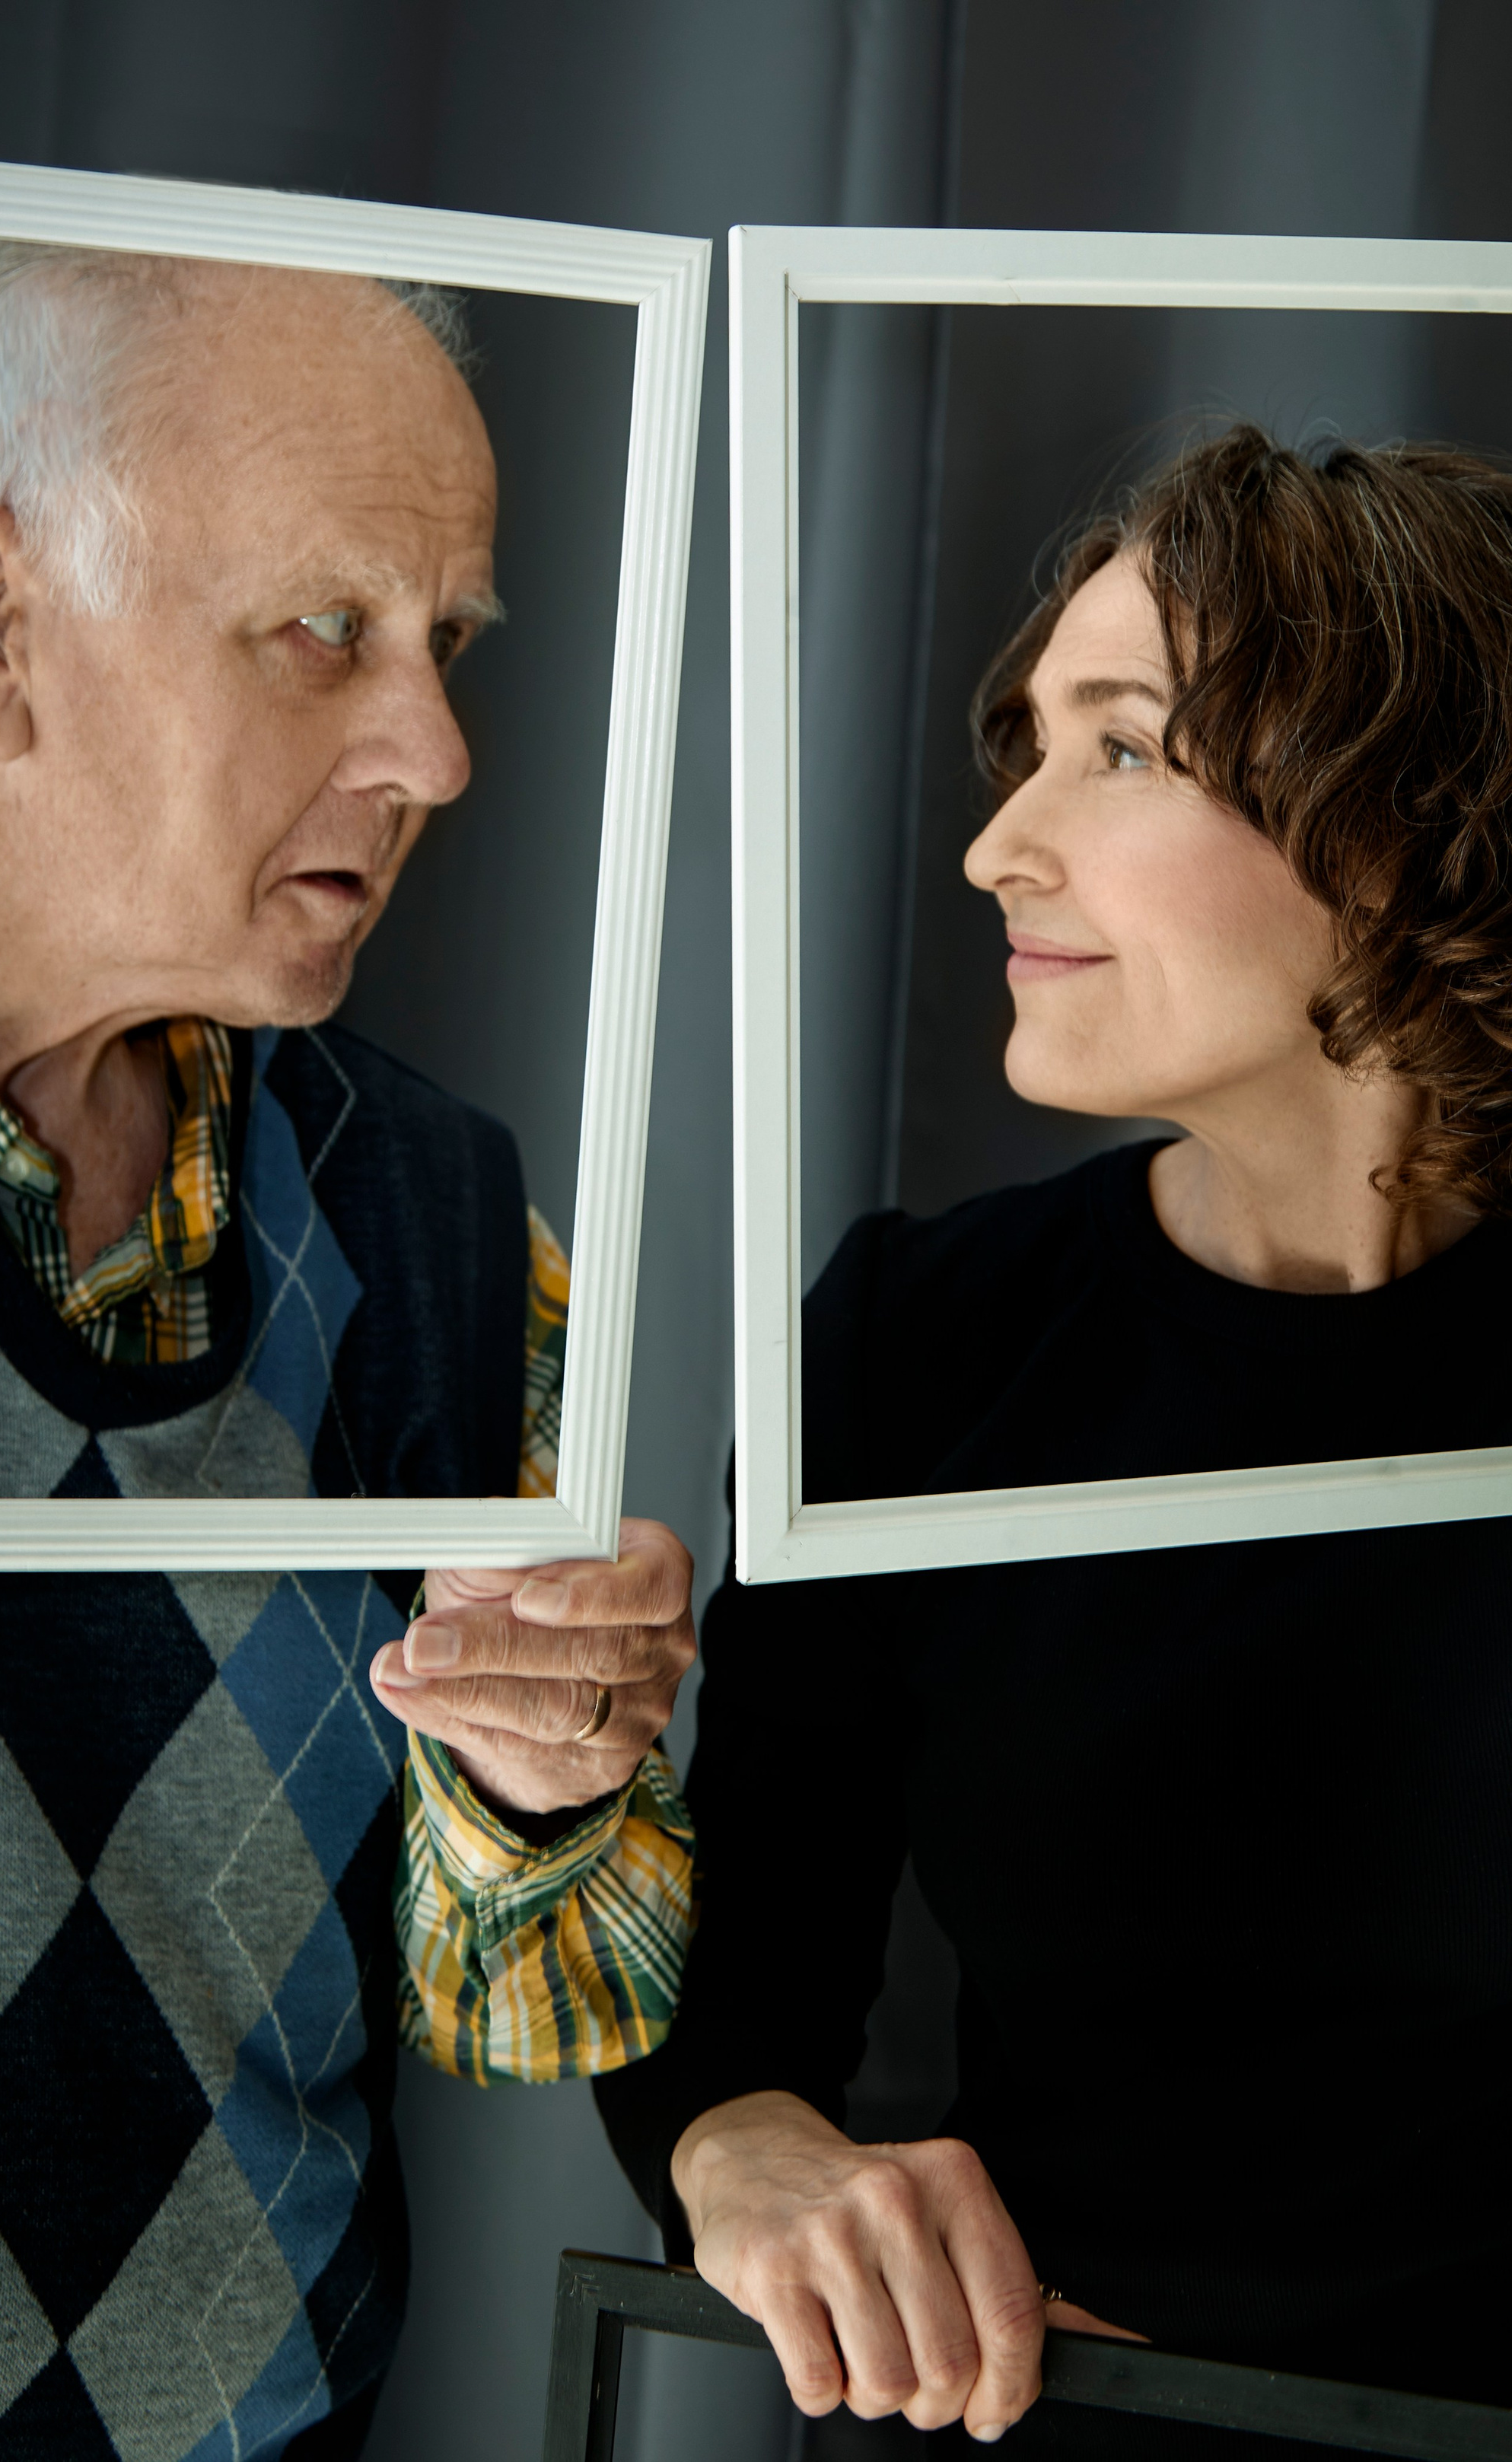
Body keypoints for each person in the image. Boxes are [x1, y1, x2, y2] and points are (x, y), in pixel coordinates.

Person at [0, 244, 698, 2462]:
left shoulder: (444, 1218)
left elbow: (535, 2011)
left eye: (448, 642)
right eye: (326, 630)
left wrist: (546, 1777)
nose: (439, 754)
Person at [595, 426, 1512, 2453]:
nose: (999, 847)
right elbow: (737, 2002)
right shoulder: (917, 1349)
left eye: (1119, 749)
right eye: (1031, 747)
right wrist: (746, 2150)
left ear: (1406, 815)